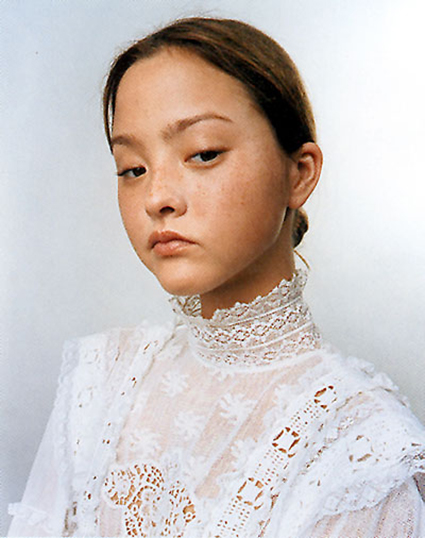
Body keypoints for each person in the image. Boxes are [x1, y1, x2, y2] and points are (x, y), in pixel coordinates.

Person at [8, 17, 425, 538]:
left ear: (299, 173)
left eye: (203, 153)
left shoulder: (363, 448)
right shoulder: (101, 381)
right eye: (133, 168)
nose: (157, 197)